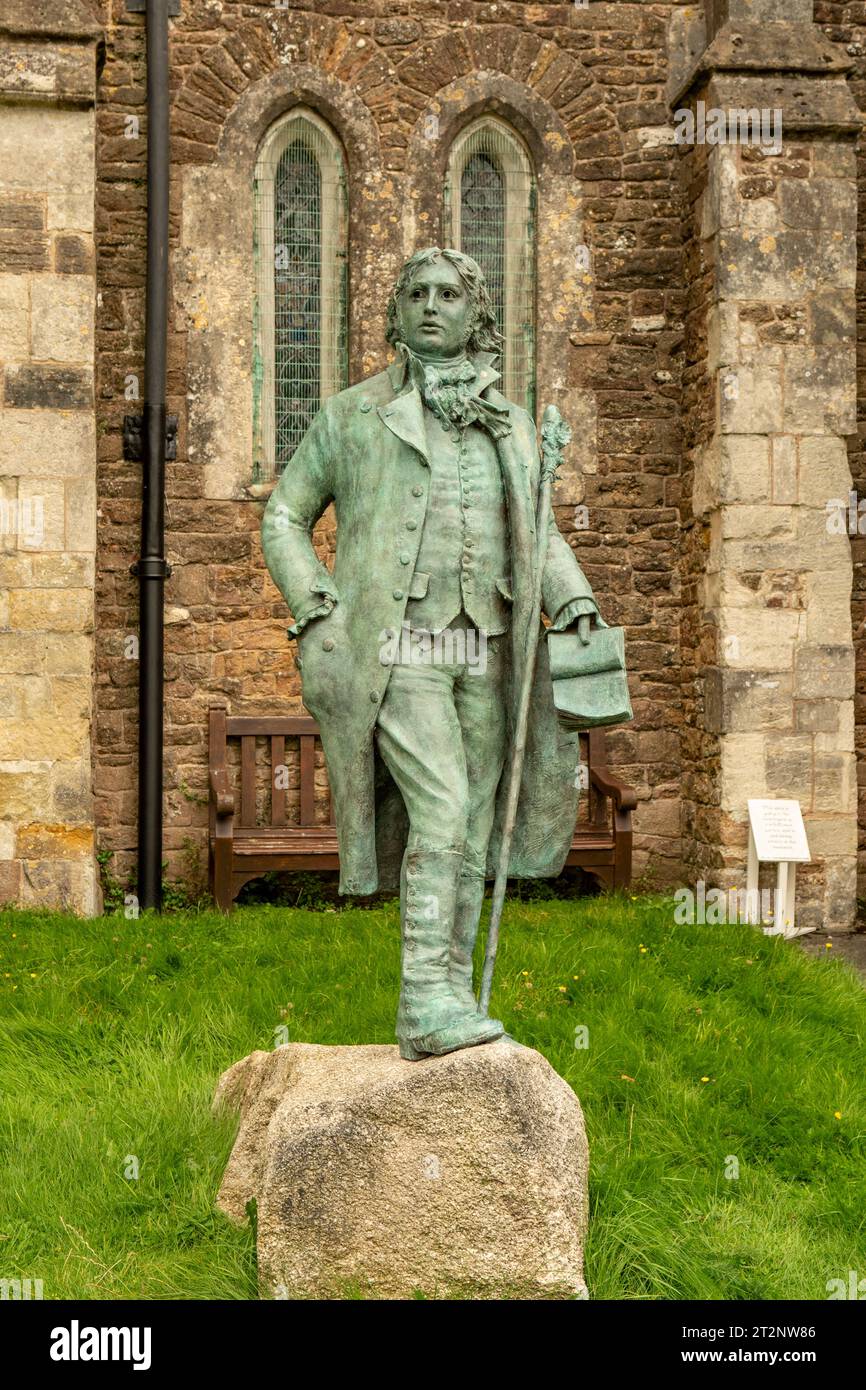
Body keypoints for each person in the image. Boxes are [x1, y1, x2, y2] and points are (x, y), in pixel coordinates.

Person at [262, 247, 602, 1060]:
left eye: (448, 293)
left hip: (487, 644)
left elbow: (537, 530)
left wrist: (574, 597)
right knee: (442, 806)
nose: (430, 305)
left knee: (478, 826)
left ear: (473, 312)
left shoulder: (511, 423)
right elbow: (283, 517)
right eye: (415, 293)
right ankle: (423, 999)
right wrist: (318, 611)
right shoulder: (350, 415)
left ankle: (453, 988)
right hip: (398, 646)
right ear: (396, 312)